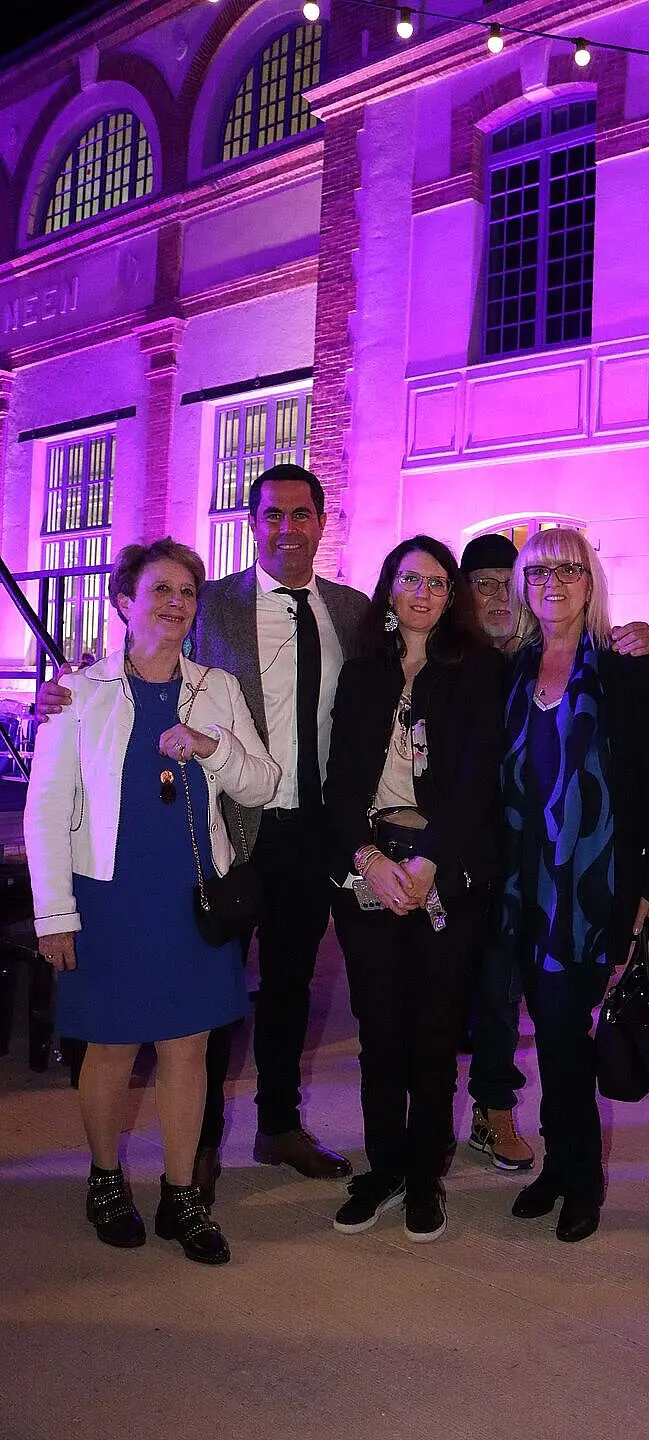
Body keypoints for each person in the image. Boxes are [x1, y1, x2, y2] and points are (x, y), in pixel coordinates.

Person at [36, 464, 369, 1204]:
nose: (287, 528)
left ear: (322, 521)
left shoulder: (352, 611)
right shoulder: (212, 600)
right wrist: (63, 690)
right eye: (272, 514)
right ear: (252, 524)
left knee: (288, 986)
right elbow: (133, 657)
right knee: (205, 1011)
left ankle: (278, 1124)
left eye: (302, 514)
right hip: (229, 834)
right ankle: (202, 1147)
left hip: (310, 824)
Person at [24, 539, 280, 1264]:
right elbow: (46, 810)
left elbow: (264, 783)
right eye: (160, 590)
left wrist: (211, 746)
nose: (175, 603)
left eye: (187, 592)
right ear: (123, 603)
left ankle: (181, 1194)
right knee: (108, 1046)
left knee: (187, 1048)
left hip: (190, 897)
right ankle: (106, 1180)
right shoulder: (79, 692)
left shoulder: (217, 688)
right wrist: (54, 914)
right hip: (107, 895)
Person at [459, 532, 649, 1174]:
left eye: (569, 569)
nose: (553, 582)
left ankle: (578, 1178)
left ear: (591, 581)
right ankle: (557, 1172)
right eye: (538, 571)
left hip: (588, 887)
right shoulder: (507, 671)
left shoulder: (627, 669)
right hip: (514, 885)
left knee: (564, 1030)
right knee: (546, 1030)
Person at [324, 536, 503, 1242]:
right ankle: (385, 1167)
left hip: (445, 871)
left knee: (433, 1030)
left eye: (435, 582)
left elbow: (477, 780)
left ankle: (426, 1171)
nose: (421, 593)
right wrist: (367, 857)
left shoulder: (478, 670)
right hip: (370, 867)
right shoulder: (362, 673)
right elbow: (339, 782)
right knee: (379, 1029)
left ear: (451, 594)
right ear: (389, 590)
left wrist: (428, 862)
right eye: (409, 580)